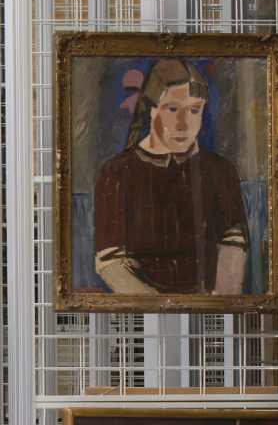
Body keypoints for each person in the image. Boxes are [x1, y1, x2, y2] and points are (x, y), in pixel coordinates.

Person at [90, 59, 250, 296]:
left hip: (209, 304)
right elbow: (111, 264)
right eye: (172, 109)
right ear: (151, 108)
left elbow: (233, 249)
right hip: (142, 305)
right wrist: (159, 308)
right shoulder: (116, 173)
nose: (183, 124)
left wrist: (216, 305)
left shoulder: (221, 171)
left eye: (194, 110)